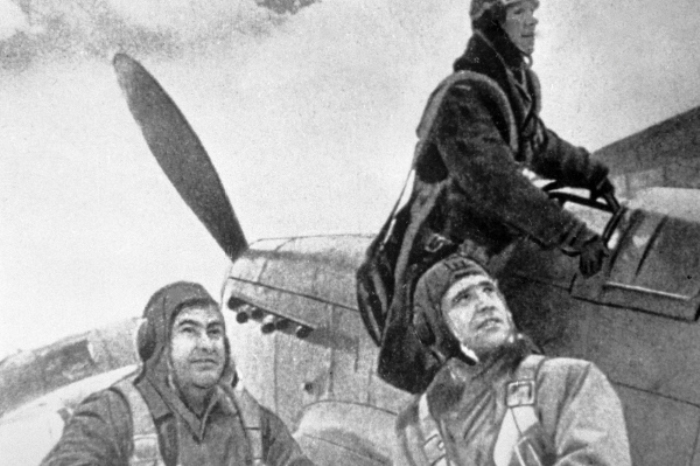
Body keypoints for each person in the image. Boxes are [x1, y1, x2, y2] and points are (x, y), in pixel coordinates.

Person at [374, 0, 615, 392]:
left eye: (532, 10)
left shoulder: (513, 82)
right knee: (459, 359)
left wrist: (592, 173)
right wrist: (575, 235)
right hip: (449, 248)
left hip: (492, 237)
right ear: (493, 23)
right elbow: (497, 184)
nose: (532, 21)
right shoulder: (461, 96)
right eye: (519, 12)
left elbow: (536, 145)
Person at [40, 282, 314, 466]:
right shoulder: (111, 413)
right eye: (189, 330)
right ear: (156, 342)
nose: (206, 344)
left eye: (214, 331)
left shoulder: (252, 419)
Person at [394, 255, 631, 466]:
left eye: (489, 290)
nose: (485, 304)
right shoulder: (416, 427)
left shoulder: (568, 381)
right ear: (432, 328)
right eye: (463, 298)